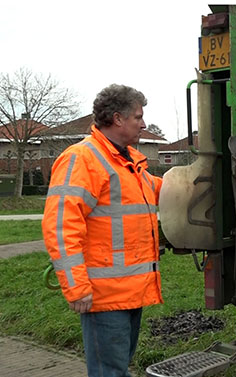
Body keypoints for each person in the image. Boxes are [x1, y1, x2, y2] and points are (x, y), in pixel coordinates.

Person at [42, 84, 163, 377]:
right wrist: (77, 288)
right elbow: (60, 226)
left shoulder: (129, 162)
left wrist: (199, 176)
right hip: (103, 296)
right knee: (109, 372)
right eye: (138, 116)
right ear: (118, 119)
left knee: (117, 369)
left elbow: (161, 191)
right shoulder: (82, 159)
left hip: (130, 292)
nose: (143, 124)